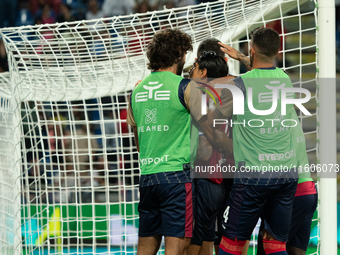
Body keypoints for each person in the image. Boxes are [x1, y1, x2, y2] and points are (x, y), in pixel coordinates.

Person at [212, 27, 303, 255]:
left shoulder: (239, 85)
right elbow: (262, 73)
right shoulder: (285, 79)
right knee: (275, 246)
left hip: (253, 177)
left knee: (229, 246)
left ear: (251, 50)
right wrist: (244, 58)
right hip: (286, 175)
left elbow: (211, 114)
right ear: (278, 51)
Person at [126, 28, 194, 255]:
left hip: (147, 177)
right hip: (176, 177)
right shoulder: (184, 87)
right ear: (179, 55)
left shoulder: (136, 91)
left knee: (145, 250)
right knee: (177, 249)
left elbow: (139, 142)